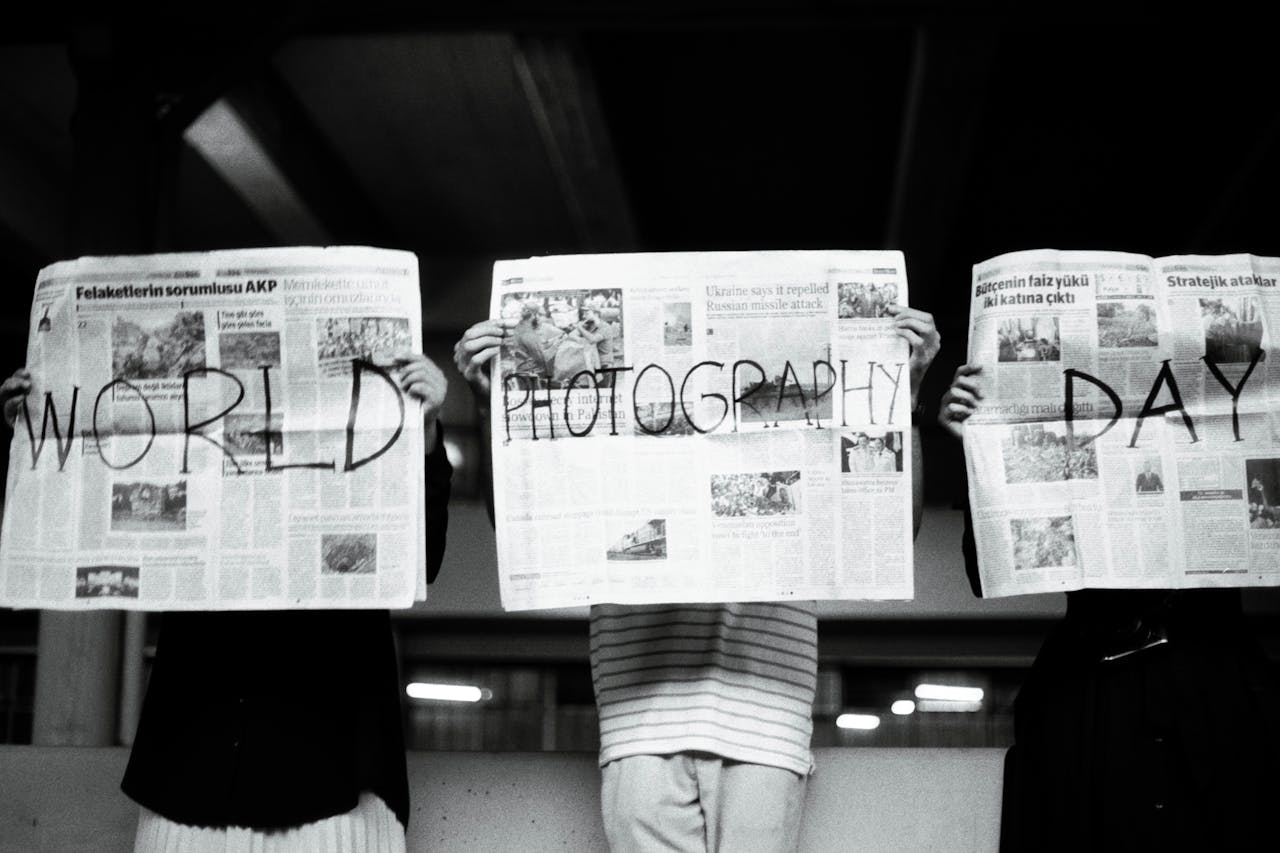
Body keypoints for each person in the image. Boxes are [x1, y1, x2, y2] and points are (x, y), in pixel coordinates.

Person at [455, 303, 938, 852]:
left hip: (765, 712)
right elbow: (521, 530)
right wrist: (487, 406)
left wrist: (908, 395)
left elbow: (895, 530)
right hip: (640, 713)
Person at [3, 354, 453, 853]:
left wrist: (427, 429)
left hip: (333, 764)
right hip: (193, 759)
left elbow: (419, 560)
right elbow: (92, 532)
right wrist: (42, 432)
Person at [939, 362, 1280, 852]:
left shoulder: (1242, 703)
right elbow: (990, 570)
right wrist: (981, 449)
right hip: (1091, 693)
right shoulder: (1070, 709)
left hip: (1214, 684)